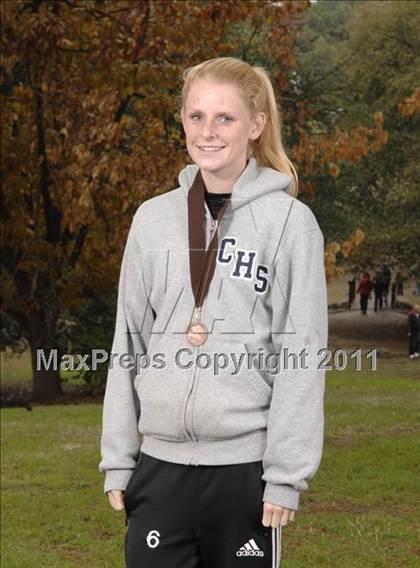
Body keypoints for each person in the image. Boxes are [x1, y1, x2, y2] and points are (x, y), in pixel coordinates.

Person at [98, 56, 328, 567]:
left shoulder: (290, 223)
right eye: (196, 116)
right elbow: (128, 343)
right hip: (158, 468)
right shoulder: (152, 219)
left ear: (256, 125)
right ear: (182, 120)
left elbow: (302, 356)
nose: (208, 131)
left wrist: (285, 476)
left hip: (245, 471)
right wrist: (118, 459)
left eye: (225, 118)